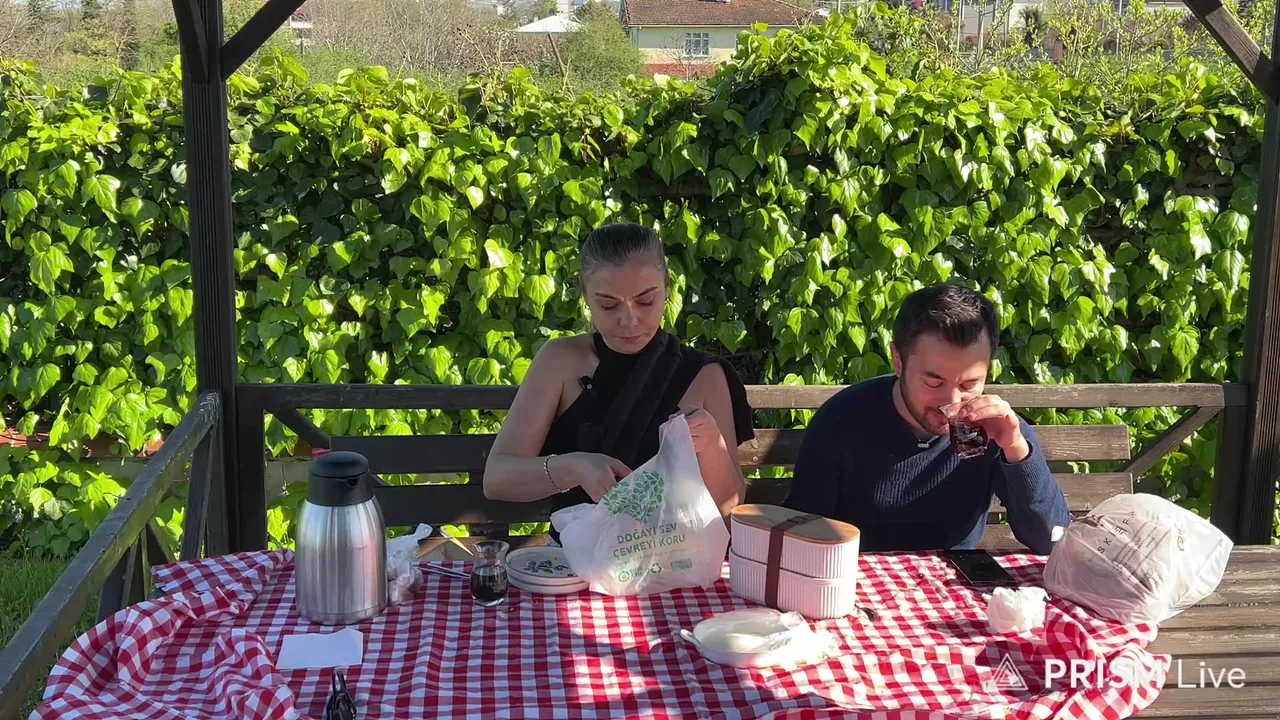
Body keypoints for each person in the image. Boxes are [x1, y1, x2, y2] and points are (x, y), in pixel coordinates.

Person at [483, 222, 755, 541]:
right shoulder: (559, 361)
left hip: (676, 559)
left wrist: (711, 446)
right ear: (586, 296)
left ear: (667, 289)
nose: (629, 321)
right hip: (578, 558)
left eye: (646, 301)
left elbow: (729, 514)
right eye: (609, 305)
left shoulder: (704, 375)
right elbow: (497, 479)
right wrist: (574, 468)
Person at [782, 283, 1070, 554]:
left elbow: (1052, 540)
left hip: (955, 583)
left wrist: (1016, 450)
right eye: (934, 382)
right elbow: (799, 537)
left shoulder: (996, 426)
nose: (951, 401)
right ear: (898, 361)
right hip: (859, 580)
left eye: (969, 384)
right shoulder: (842, 420)